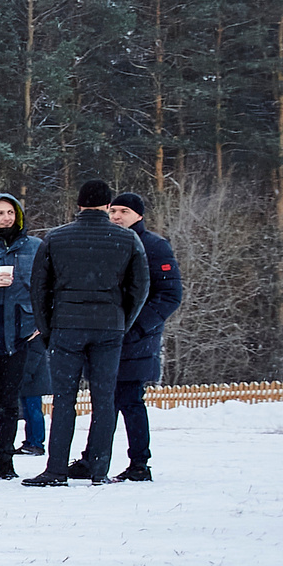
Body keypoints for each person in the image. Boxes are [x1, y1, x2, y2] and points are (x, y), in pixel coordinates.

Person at [25, 178, 151, 487]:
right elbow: (140, 287)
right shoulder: (127, 240)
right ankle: (99, 469)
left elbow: (39, 289)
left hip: (66, 325)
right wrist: (123, 320)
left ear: (79, 204)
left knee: (64, 399)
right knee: (104, 399)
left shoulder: (55, 238)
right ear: (108, 206)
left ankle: (55, 470)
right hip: (109, 325)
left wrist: (47, 328)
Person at [98, 190, 184, 482]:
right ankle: (93, 458)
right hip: (106, 335)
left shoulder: (154, 245)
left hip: (137, 338)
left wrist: (136, 327)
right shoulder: (107, 242)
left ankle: (139, 462)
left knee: (130, 400)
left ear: (139, 215)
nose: (117, 216)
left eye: (123, 211)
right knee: (103, 401)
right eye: (113, 211)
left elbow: (170, 295)